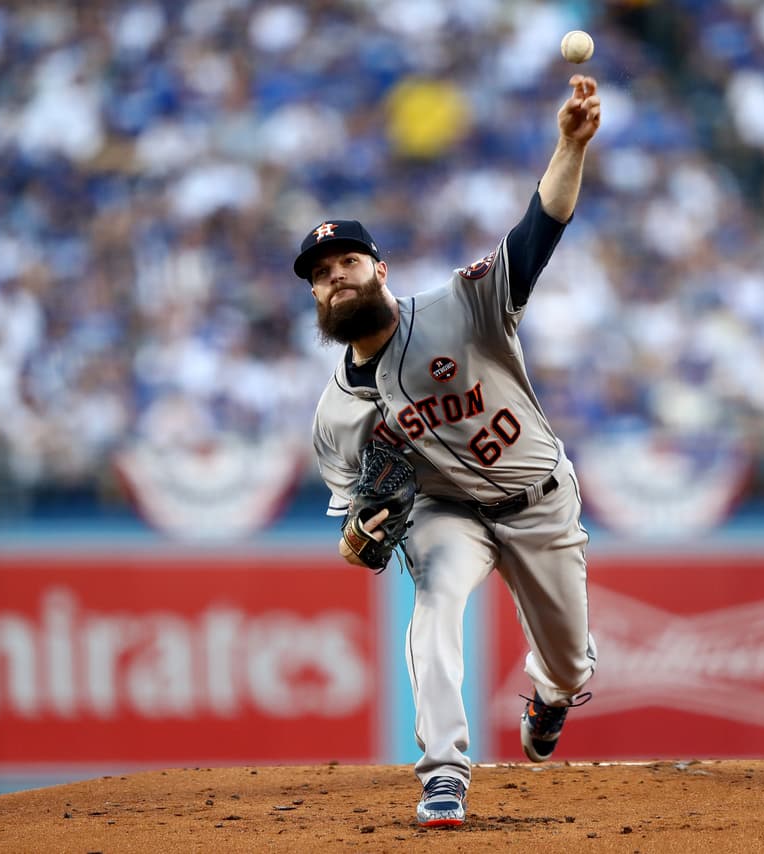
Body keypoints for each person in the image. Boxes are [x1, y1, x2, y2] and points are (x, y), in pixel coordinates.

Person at [294, 74, 602, 828]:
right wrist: (360, 541)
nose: (337, 278)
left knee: (570, 662)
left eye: (349, 264)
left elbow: (541, 227)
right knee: (432, 606)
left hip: (538, 500)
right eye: (323, 276)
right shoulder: (336, 416)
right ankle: (444, 774)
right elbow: (356, 532)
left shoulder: (461, 304)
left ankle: (551, 695)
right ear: (314, 298)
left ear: (380, 269)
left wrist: (569, 143)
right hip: (445, 512)